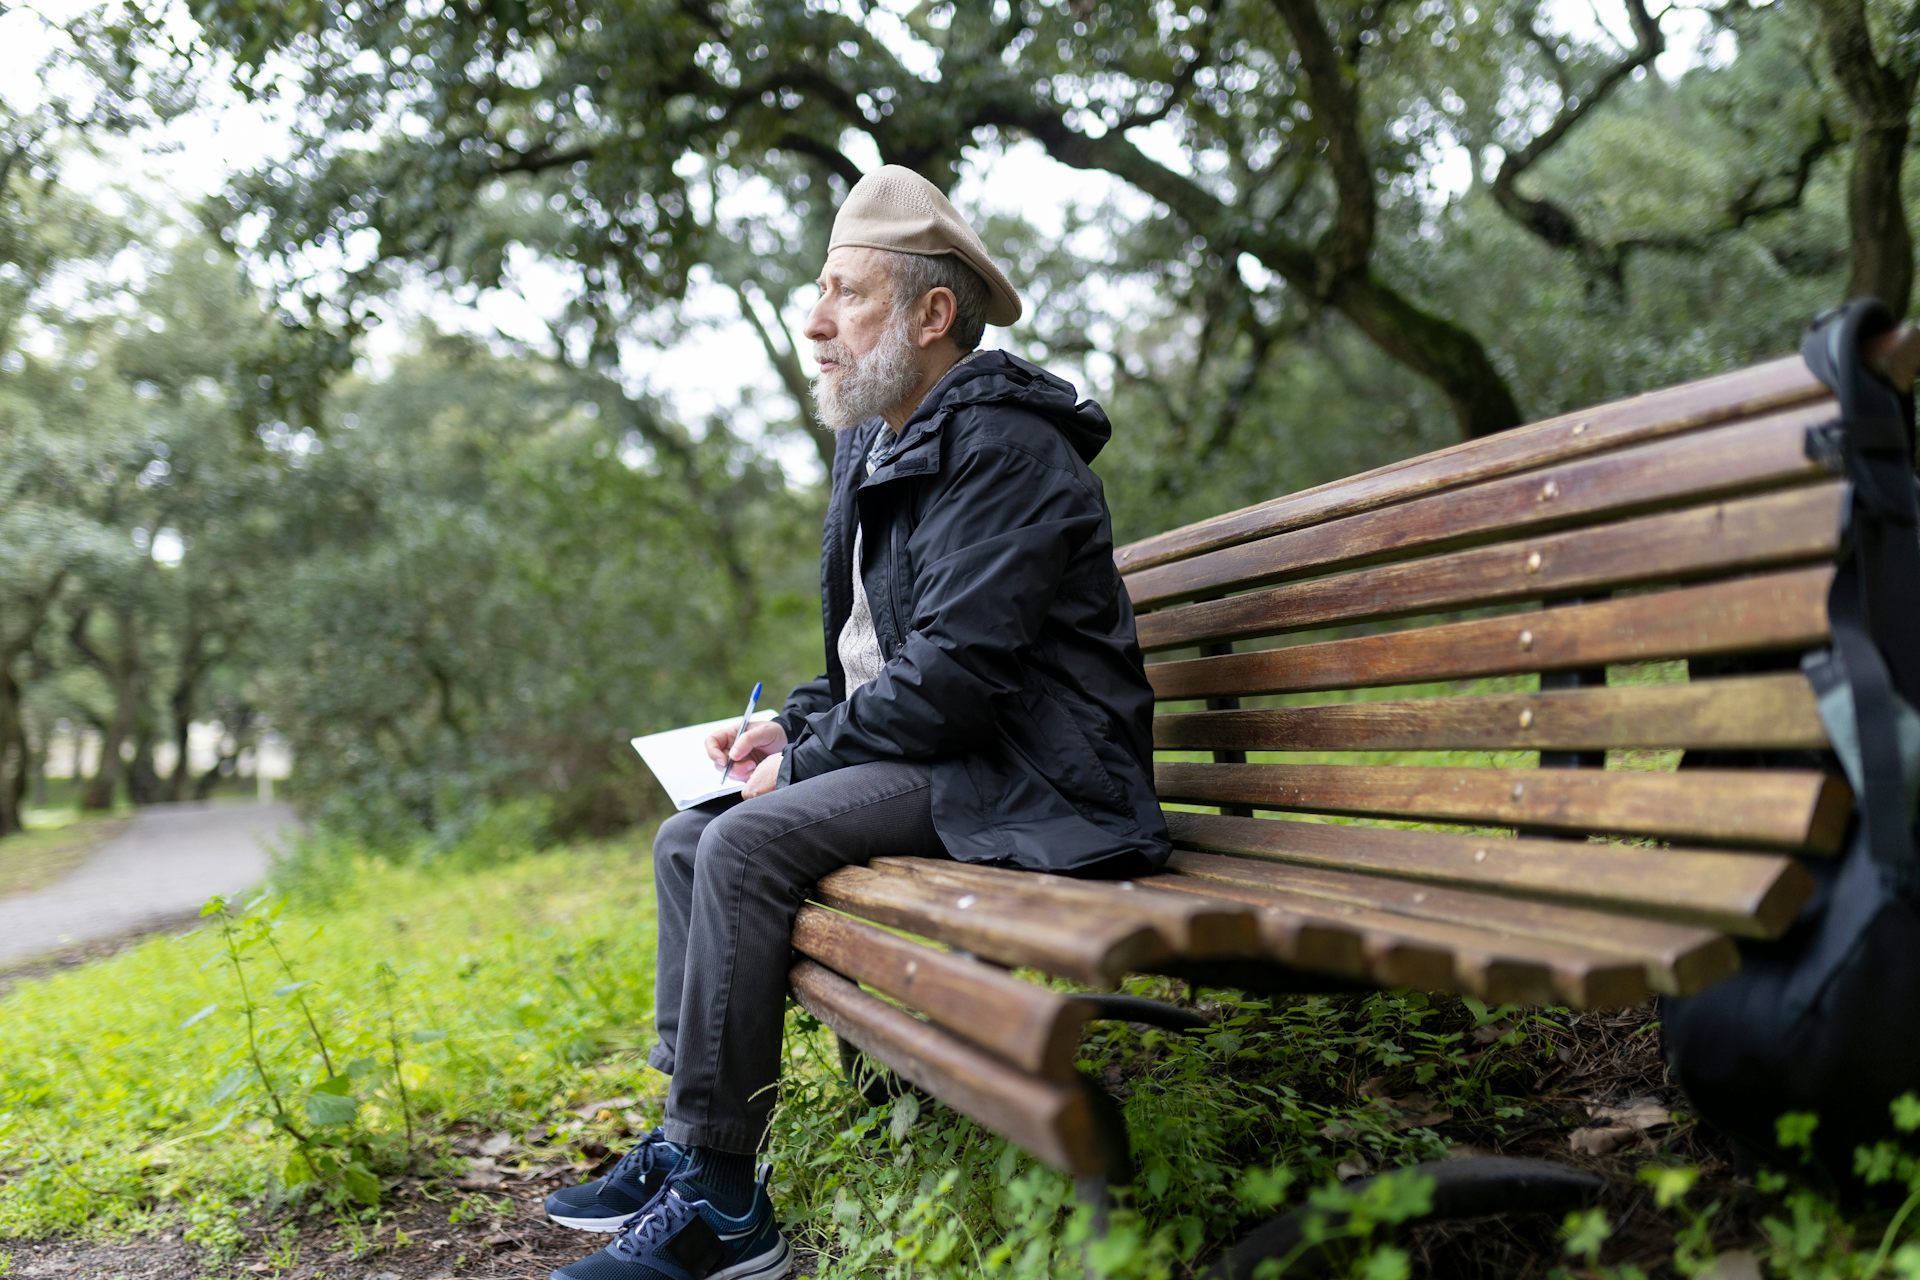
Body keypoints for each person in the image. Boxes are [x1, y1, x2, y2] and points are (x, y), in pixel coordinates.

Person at [545, 165, 1169, 1280]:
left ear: (934, 316)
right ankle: (694, 1145)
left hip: (1037, 775)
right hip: (964, 752)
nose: (816, 321)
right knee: (690, 831)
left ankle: (728, 1212)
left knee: (742, 838)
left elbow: (957, 682)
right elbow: (873, 660)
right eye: (818, 291)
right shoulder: (876, 441)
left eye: (850, 295)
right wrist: (789, 728)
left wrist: (804, 758)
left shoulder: (1005, 450)